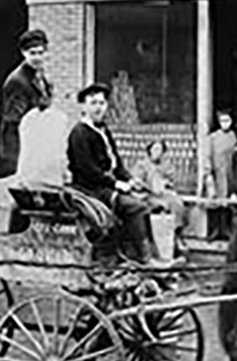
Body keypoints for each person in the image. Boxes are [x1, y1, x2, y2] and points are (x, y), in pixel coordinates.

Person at [67, 83, 164, 265]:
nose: (98, 108)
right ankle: (144, 258)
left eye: (102, 103)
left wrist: (130, 179)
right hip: (90, 190)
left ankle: (149, 252)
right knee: (135, 206)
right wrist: (117, 184)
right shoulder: (79, 133)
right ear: (84, 106)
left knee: (152, 202)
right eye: (93, 103)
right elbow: (88, 170)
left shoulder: (104, 130)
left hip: (106, 186)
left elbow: (117, 164)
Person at [0, 29, 54, 177]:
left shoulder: (41, 76)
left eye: (40, 53)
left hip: (37, 145)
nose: (37, 58)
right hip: (21, 149)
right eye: (32, 53)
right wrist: (18, 158)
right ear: (23, 53)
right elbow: (13, 121)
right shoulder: (17, 81)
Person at [131, 139, 188, 235]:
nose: (157, 153)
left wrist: (167, 183)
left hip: (163, 194)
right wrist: (147, 186)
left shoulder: (165, 167)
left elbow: (170, 182)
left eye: (160, 150)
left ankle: (177, 230)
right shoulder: (142, 165)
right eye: (155, 149)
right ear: (150, 151)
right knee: (163, 204)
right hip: (147, 195)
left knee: (177, 202)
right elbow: (137, 183)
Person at [203, 109, 237, 239]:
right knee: (214, 201)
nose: (225, 123)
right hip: (217, 173)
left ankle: (226, 229)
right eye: (222, 120)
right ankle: (214, 230)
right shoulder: (213, 137)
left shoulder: (234, 137)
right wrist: (208, 173)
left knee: (228, 202)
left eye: (227, 120)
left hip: (230, 174)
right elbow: (207, 156)